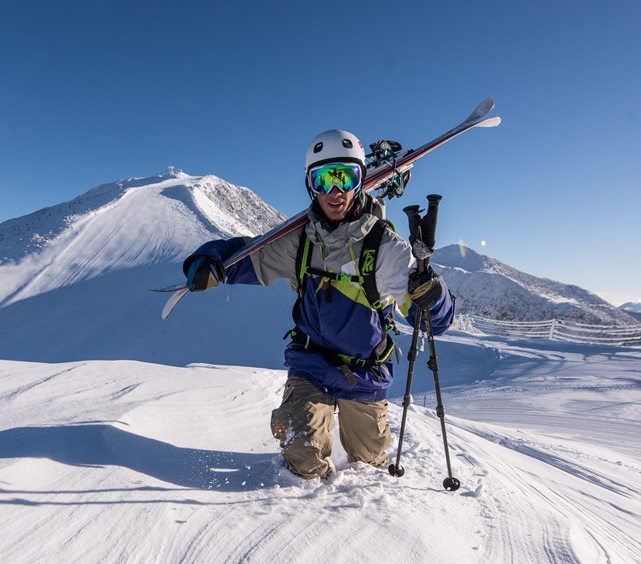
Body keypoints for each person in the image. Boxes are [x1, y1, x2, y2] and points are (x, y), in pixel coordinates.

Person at [182, 129, 455, 480]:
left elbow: (434, 320)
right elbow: (248, 255)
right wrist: (209, 259)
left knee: (367, 463)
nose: (335, 191)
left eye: (345, 177)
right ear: (311, 185)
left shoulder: (385, 248)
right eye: (324, 179)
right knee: (302, 457)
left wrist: (432, 296)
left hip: (365, 373)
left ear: (361, 182)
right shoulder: (300, 242)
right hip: (311, 365)